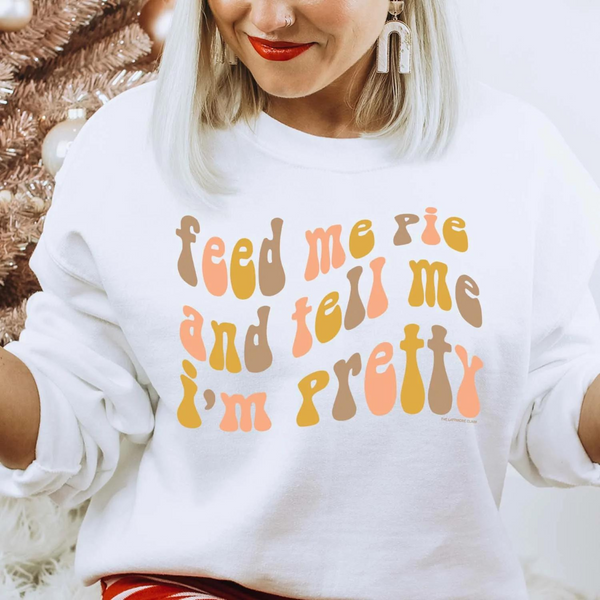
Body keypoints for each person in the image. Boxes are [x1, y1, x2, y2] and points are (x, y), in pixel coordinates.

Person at [1, 0, 600, 598]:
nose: (269, 17)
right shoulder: (131, 145)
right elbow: (71, 405)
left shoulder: (514, 154)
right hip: (190, 585)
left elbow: (554, 403)